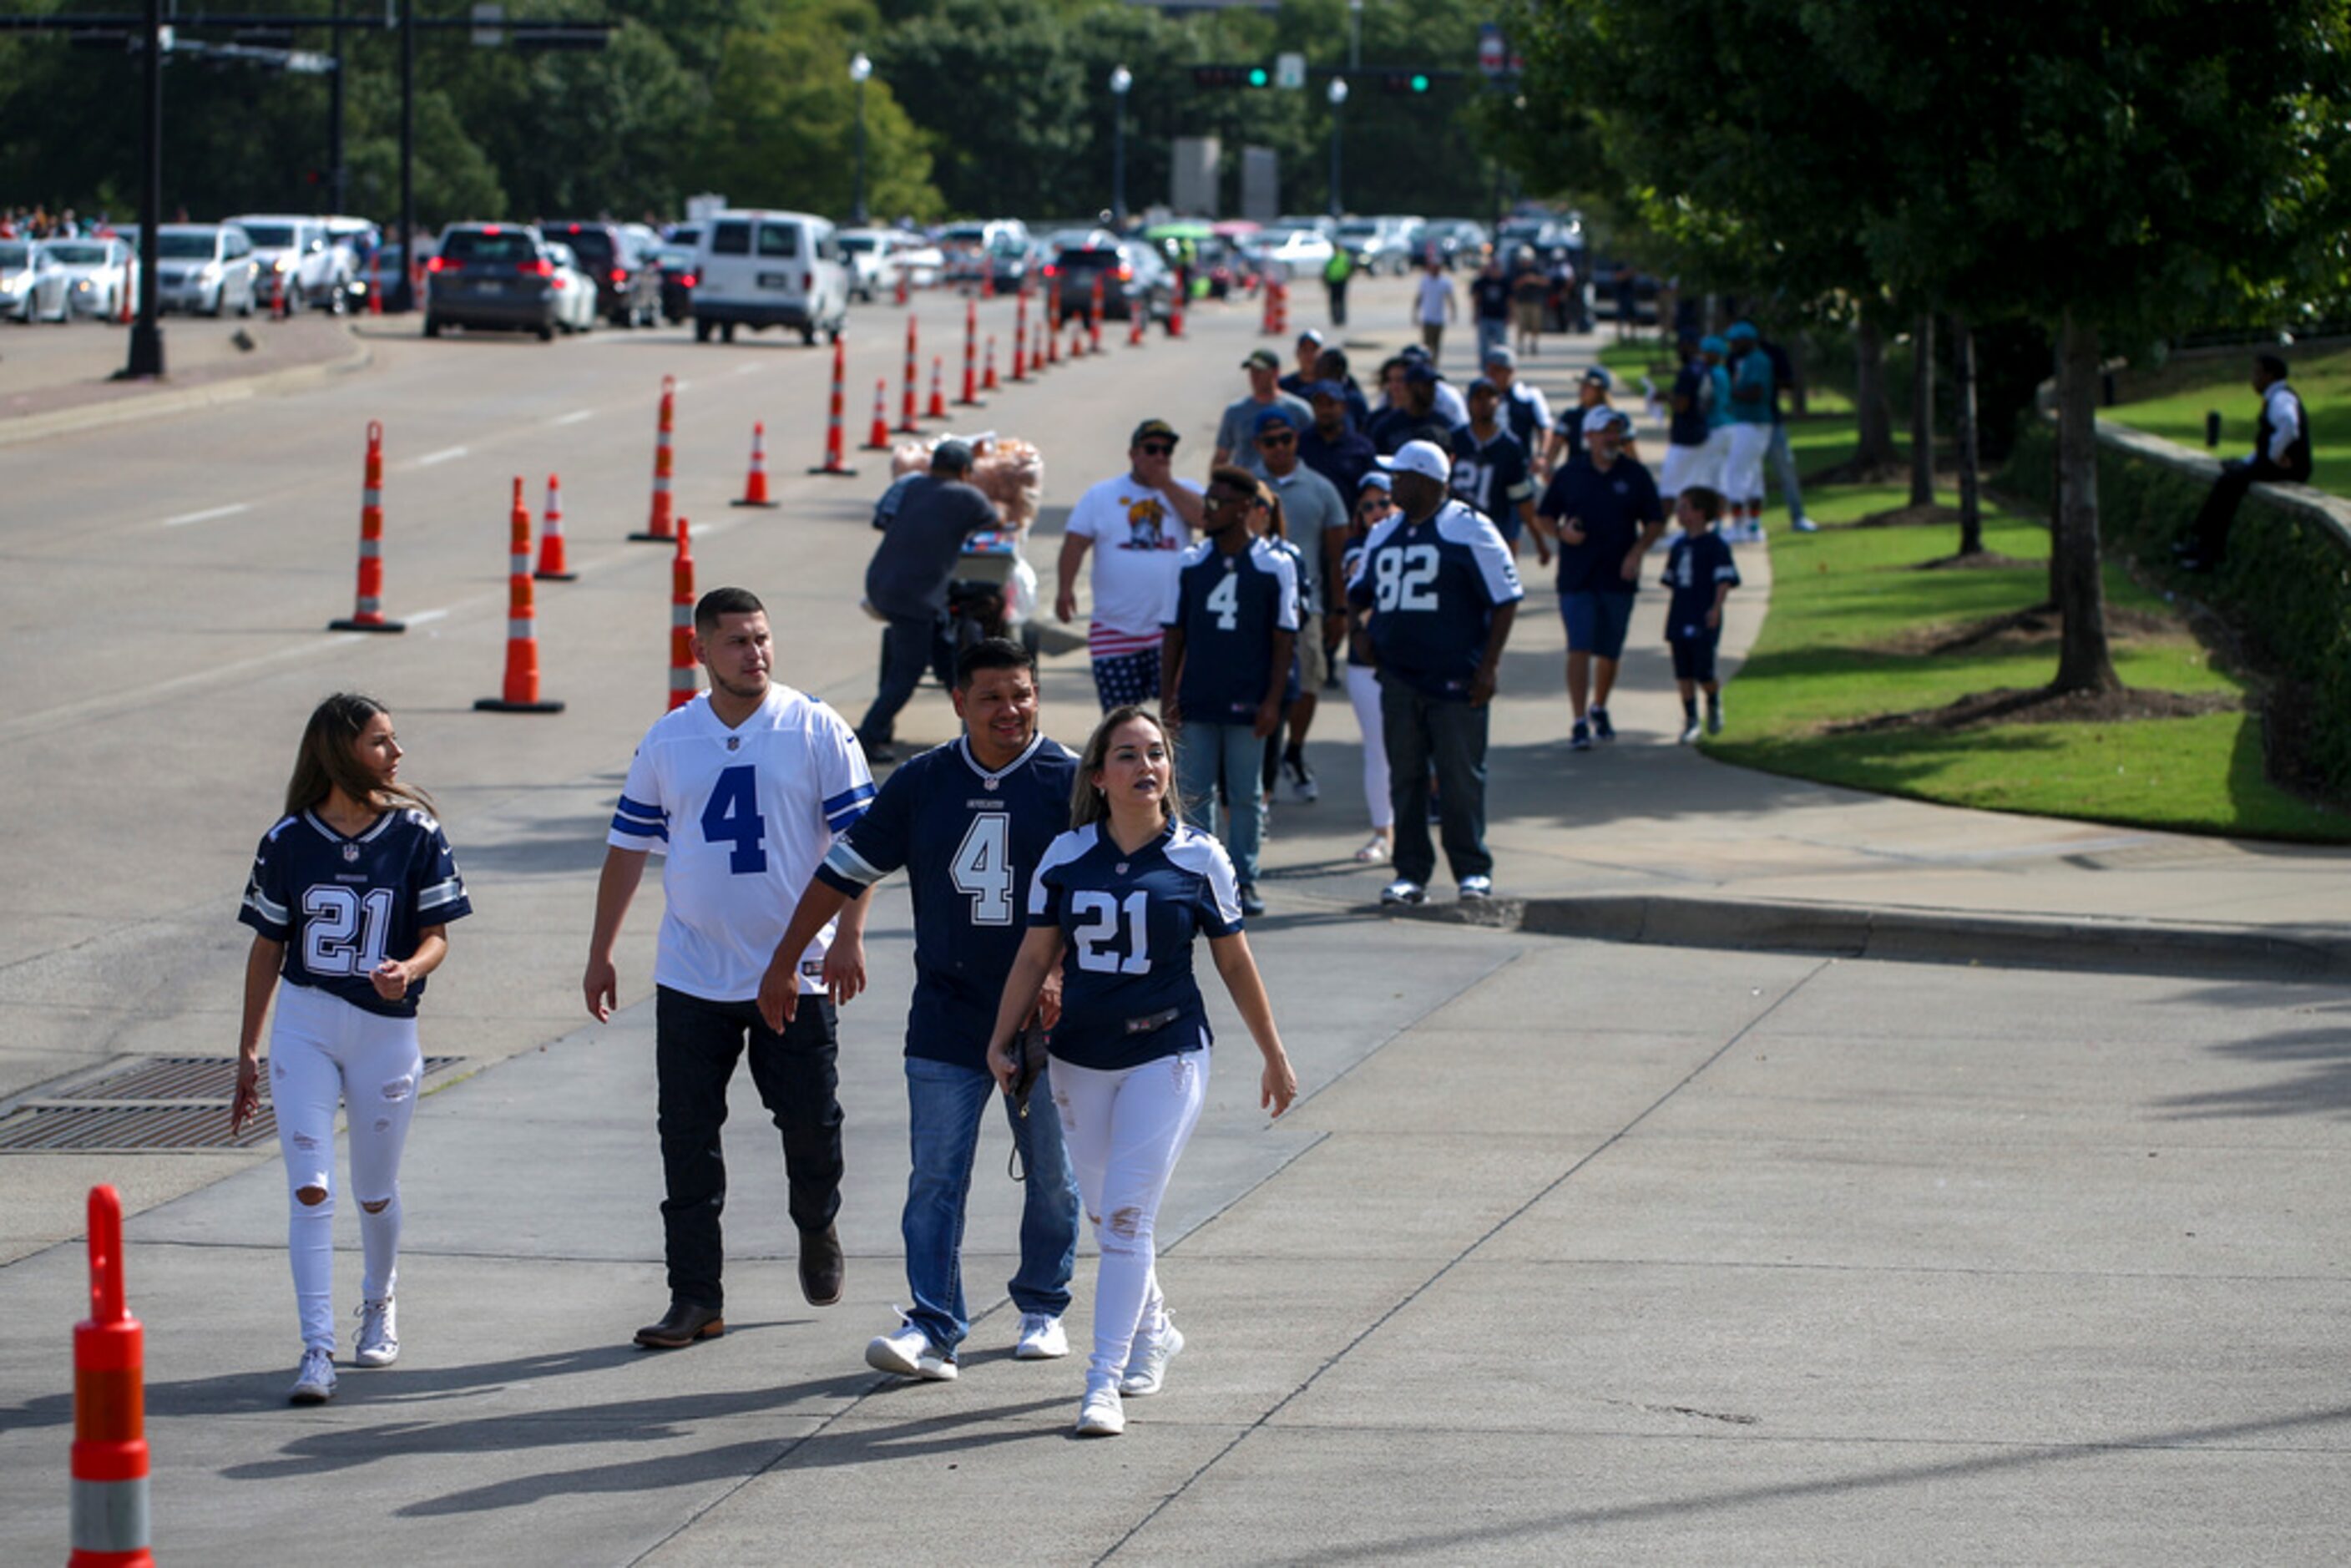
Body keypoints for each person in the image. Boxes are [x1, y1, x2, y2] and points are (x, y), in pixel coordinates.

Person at [763, 639, 1082, 1383]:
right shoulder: (922, 782)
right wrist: (784, 959)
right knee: (935, 1176)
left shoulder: (1072, 782)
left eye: (1023, 694)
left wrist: (1063, 974)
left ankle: (1043, 1306)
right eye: (993, 698)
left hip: (1045, 1020)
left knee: (1053, 1175)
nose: (1011, 710)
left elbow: (1100, 892)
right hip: (947, 1013)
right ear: (960, 704)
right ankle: (934, 1326)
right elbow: (842, 870)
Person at [984, 707, 1298, 1437]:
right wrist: (1002, 1039)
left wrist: (1274, 1054)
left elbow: (1233, 960)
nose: (1146, 766)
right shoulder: (1065, 855)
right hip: (1078, 1060)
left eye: (1156, 753)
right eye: (1127, 755)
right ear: (1099, 776)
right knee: (1107, 1218)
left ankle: (1103, 1381)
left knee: (1128, 1217)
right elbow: (1035, 957)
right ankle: (1155, 1328)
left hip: (1168, 1052)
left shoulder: (1200, 858)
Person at [586, 587, 872, 1350]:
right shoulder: (669, 739)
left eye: (763, 639)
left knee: (811, 1125)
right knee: (685, 1138)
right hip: (691, 974)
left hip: (797, 972)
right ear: (700, 652)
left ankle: (817, 1225)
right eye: (738, 642)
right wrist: (600, 952)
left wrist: (850, 934)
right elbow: (626, 850)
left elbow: (860, 844)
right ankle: (695, 1297)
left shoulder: (815, 727)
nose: (756, 654)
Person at [234, 694, 472, 1405]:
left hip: (384, 1031)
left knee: (371, 1192)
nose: (396, 754)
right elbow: (267, 945)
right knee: (311, 1188)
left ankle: (379, 1298)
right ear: (340, 753)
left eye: (394, 740)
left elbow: (439, 935)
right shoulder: (287, 840)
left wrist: (410, 969)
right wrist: (248, 1047)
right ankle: (316, 1348)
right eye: (380, 742)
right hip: (306, 1023)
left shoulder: (417, 833)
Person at [1347, 439, 1524, 906]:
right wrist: (1358, 634)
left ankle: (1472, 870)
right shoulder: (1384, 532)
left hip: (1455, 678)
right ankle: (1410, 873)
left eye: (1399, 476)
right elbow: (1357, 591)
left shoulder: (1468, 527)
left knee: (1459, 776)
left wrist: (1489, 665)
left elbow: (1506, 598)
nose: (1392, 484)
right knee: (1404, 776)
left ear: (1426, 480)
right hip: (1399, 677)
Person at [1160, 468, 1299, 917]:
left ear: (1243, 508)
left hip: (1249, 702)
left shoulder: (1275, 564)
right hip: (1199, 697)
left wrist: (1274, 701)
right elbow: (1173, 634)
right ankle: (1199, 880)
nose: (1207, 510)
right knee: (1195, 793)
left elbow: (1284, 641)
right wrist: (1167, 696)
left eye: (1217, 502)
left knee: (1244, 794)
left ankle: (1244, 879)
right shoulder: (1190, 562)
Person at [855, 439, 1003, 763]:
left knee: (950, 665)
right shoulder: (966, 495)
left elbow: (883, 520)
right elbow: (996, 525)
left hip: (882, 583)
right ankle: (865, 737)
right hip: (915, 596)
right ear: (965, 471)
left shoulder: (911, 485)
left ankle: (974, 737)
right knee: (907, 673)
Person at [1535, 407, 1666, 751]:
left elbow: (1655, 520)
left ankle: (1600, 706)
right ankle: (1579, 720)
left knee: (1609, 651)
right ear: (1589, 437)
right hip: (1578, 575)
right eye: (1605, 432)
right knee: (1579, 645)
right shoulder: (1571, 473)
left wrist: (1637, 552)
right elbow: (1545, 516)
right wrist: (1562, 534)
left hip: (1618, 576)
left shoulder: (1634, 475)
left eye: (1616, 432)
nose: (1612, 438)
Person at [1055, 419, 1206, 711]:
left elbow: (1205, 519)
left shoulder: (1184, 491)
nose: (1160, 457)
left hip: (1171, 628)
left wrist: (1166, 485)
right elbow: (1075, 543)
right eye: (1151, 449)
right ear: (1133, 454)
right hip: (1115, 627)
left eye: (1167, 450)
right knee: (1120, 721)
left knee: (1177, 715)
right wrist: (1065, 590)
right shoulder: (1102, 495)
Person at [1252, 405, 1350, 782]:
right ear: (1258, 445)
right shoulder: (1247, 486)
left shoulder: (1320, 488)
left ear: (1296, 440)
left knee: (1308, 683)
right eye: (1270, 441)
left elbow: (1337, 551)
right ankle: (1264, 764)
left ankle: (1294, 749)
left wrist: (1340, 609)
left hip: (1308, 606)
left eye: (1286, 439)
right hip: (1255, 609)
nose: (1279, 447)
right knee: (1262, 686)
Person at [2177, 353, 2312, 572]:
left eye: (2257, 373)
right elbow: (2266, 442)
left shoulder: (2281, 398)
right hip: (2276, 465)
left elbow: (2289, 425)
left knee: (2229, 483)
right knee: (2229, 477)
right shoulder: (2275, 397)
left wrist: (2275, 456)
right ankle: (2201, 543)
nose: (2253, 379)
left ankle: (2208, 550)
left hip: (2288, 469)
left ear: (2270, 376)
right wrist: (2247, 461)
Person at [1340, 473, 1398, 864]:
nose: (1376, 512)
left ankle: (1408, 829)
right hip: (1368, 665)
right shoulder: (1357, 549)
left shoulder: (1416, 541)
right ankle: (1383, 832)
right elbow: (1361, 586)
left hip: (1411, 661)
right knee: (1379, 750)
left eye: (1384, 502)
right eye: (1368, 506)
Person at [1661, 485, 1740, 741]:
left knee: (1703, 670)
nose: (1679, 513)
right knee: (1682, 671)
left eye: (1685, 508)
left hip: (1703, 613)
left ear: (1700, 512)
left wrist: (1716, 608)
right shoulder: (1679, 546)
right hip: (1680, 612)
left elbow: (1724, 580)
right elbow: (1672, 581)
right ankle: (1691, 719)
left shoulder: (1715, 546)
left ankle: (1713, 699)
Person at [1450, 377, 1545, 568]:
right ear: (1469, 402)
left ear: (1499, 402)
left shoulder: (1510, 446)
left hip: (1496, 531)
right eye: (1478, 398)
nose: (1484, 403)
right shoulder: (1454, 440)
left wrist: (1538, 539)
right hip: (1456, 531)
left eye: (1490, 397)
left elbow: (1522, 497)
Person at [1214, 349, 1314, 473]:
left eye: (1260, 371)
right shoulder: (1235, 411)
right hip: (1246, 485)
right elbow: (1222, 455)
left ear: (1275, 372)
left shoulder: (1298, 410)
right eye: (1252, 371)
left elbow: (1314, 450)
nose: (1255, 376)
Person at [1719, 322, 1775, 544]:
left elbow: (1756, 391)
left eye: (1735, 341)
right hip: (1749, 423)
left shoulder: (1757, 361)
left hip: (1752, 423)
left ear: (1748, 341)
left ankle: (1739, 526)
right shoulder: (1747, 361)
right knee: (1753, 474)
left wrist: (1730, 393)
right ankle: (1753, 526)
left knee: (1736, 471)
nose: (1732, 345)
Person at [1758, 331, 1814, 533]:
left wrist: (1766, 381)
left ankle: (1798, 516)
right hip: (1744, 424)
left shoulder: (1773, 353)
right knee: (1745, 477)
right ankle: (1748, 522)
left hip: (1772, 421)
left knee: (1786, 468)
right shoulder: (1734, 356)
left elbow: (1789, 383)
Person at [1298, 379, 1380, 508]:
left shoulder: (1361, 447)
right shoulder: (1300, 443)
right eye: (1319, 404)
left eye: (1330, 404)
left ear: (1343, 407)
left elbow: (1372, 490)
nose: (1325, 410)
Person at [1660, 336, 1717, 510]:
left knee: (1669, 490)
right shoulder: (1705, 369)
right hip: (1701, 432)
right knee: (1695, 487)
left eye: (1682, 345)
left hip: (1686, 437)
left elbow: (1682, 404)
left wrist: (1667, 398)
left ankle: (1659, 531)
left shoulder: (1689, 372)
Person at [1483, 346, 1555, 478]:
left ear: (1510, 371)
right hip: (1487, 466)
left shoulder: (1528, 397)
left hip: (1520, 466)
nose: (1490, 375)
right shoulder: (1480, 398)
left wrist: (1541, 455)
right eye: (1489, 370)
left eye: (1497, 370)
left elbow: (1545, 427)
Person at [1544, 366, 1614, 476]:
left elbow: (1630, 453)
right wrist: (1548, 467)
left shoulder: (1614, 420)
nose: (1583, 389)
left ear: (1601, 391)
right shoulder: (1570, 417)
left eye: (1588, 386)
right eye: (1582, 385)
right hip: (1576, 476)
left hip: (1608, 476)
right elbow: (1556, 445)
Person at [1469, 255, 1514, 369]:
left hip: (1500, 317)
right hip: (1485, 316)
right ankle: (1485, 369)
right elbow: (1476, 298)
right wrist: (1475, 314)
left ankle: (1501, 368)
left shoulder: (1505, 282)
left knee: (1501, 346)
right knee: (1484, 347)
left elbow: (1510, 300)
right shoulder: (1482, 281)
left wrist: (1510, 315)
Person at [1412, 254, 1456, 367]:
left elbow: (1450, 298)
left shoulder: (1445, 282)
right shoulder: (1425, 281)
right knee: (1426, 346)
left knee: (1436, 345)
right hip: (1427, 318)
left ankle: (1434, 366)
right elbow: (1419, 297)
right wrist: (1415, 313)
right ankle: (1425, 365)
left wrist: (1453, 312)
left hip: (1439, 318)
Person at [1510, 251, 1549, 357]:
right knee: (1521, 325)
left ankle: (1534, 343)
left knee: (1535, 324)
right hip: (1521, 302)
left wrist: (1533, 279)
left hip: (1535, 301)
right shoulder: (1517, 270)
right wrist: (1523, 281)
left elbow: (1546, 282)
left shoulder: (1537, 269)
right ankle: (1521, 345)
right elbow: (1512, 285)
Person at [1277, 329, 1325, 400]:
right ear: (1297, 354)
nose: (1309, 355)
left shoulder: (1329, 386)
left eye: (1313, 350)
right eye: (1305, 350)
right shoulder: (1283, 386)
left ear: (1322, 354)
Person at [1322, 243, 1353, 326]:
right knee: (1334, 302)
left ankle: (1342, 319)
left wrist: (1346, 277)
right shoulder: (1331, 259)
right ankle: (1335, 319)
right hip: (1332, 282)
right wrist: (1325, 281)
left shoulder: (1344, 258)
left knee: (1341, 301)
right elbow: (1326, 271)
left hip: (1341, 282)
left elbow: (1350, 268)